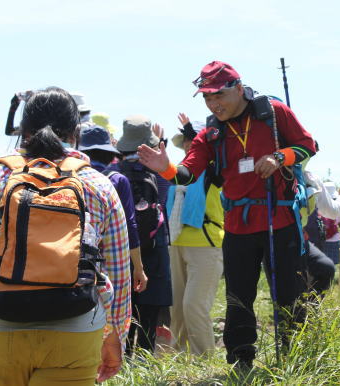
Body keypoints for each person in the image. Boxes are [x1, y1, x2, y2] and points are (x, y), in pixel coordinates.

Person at [0, 88, 132, 386]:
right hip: (75, 327)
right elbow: (118, 271)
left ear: (23, 131)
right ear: (75, 131)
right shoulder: (98, 185)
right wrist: (116, 334)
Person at [137, 61, 316, 368]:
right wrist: (164, 167)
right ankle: (240, 361)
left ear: (237, 88)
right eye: (207, 98)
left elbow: (307, 145)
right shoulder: (212, 134)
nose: (213, 103)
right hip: (237, 227)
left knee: (288, 295)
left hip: (280, 220)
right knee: (238, 298)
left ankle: (294, 359)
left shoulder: (273, 113)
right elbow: (187, 174)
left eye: (218, 95)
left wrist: (278, 157)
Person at [107, 115, 172, 356]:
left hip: (122, 250)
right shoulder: (161, 173)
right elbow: (163, 203)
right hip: (155, 247)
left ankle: (122, 363)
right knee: (150, 314)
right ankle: (146, 363)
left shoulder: (112, 172)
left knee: (125, 310)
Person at [166, 115, 223, 356]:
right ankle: (180, 361)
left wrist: (196, 131)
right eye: (188, 140)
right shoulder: (178, 170)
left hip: (206, 243)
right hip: (176, 241)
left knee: (193, 307)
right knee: (176, 309)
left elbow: (216, 164)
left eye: (195, 139)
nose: (190, 144)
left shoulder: (216, 167)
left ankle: (204, 361)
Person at [78, 125, 148, 293]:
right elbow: (130, 226)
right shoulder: (116, 180)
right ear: (109, 153)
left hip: (74, 262)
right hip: (108, 263)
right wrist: (138, 267)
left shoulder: (69, 177)